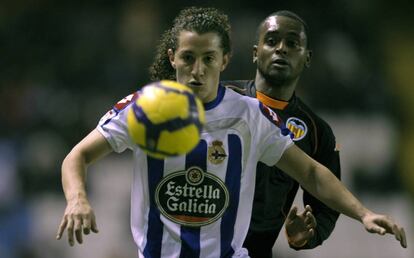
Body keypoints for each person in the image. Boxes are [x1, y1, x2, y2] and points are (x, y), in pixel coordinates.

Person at [56, 6, 407, 258]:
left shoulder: (251, 115)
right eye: (188, 57)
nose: (197, 70)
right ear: (172, 57)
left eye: (208, 58)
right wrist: (77, 198)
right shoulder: (145, 108)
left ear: (224, 61)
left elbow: (312, 172)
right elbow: (77, 156)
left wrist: (363, 213)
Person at [222, 11, 340, 257]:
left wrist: (308, 235)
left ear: (307, 58)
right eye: (272, 41)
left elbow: (327, 205)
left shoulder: (317, 132)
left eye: (292, 43)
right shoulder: (219, 100)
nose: (281, 49)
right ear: (255, 52)